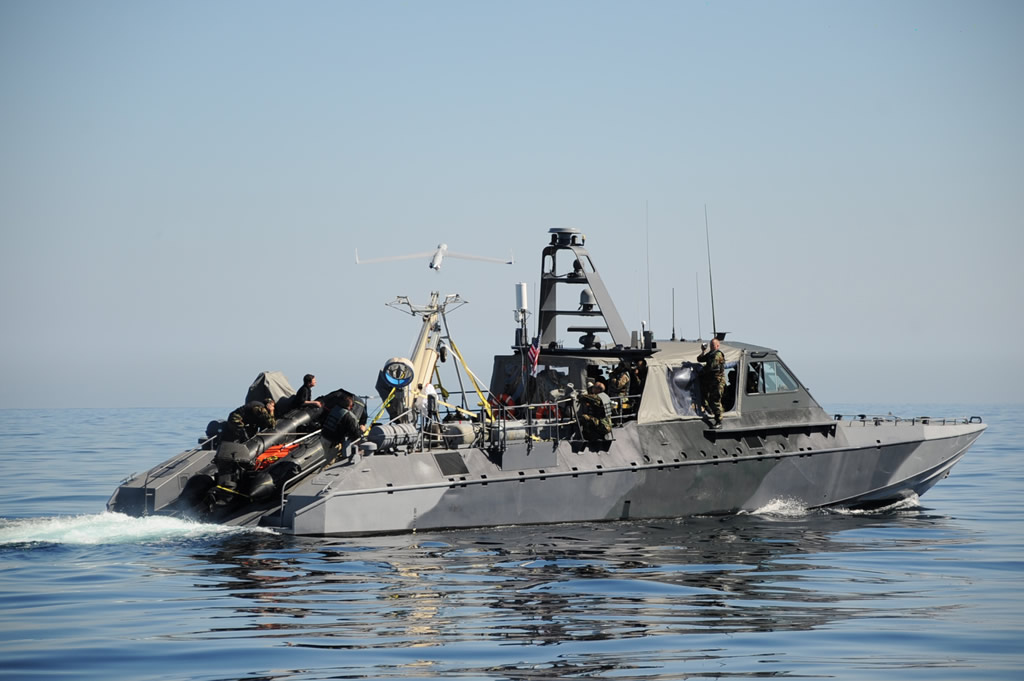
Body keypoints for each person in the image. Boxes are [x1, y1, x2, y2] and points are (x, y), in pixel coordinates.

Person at [323, 394, 366, 462]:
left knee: (326, 458)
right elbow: (356, 434)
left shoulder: (335, 409)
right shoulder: (348, 417)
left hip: (324, 437)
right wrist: (362, 430)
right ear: (351, 406)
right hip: (332, 442)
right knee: (329, 462)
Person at [697, 338, 726, 428]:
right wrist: (703, 351)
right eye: (711, 345)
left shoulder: (717, 354)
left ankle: (719, 421)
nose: (711, 346)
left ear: (717, 346)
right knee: (705, 395)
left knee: (715, 400)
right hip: (710, 380)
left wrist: (701, 372)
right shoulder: (711, 354)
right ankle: (709, 410)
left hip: (718, 381)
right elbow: (700, 359)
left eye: (713, 345)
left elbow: (710, 366)